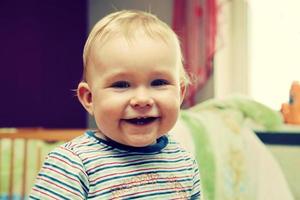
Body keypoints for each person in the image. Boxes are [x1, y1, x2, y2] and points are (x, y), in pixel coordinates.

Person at [29, 10, 201, 199]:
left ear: (180, 92)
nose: (142, 99)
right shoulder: (73, 164)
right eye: (121, 85)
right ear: (90, 99)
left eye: (158, 82)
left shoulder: (184, 162)